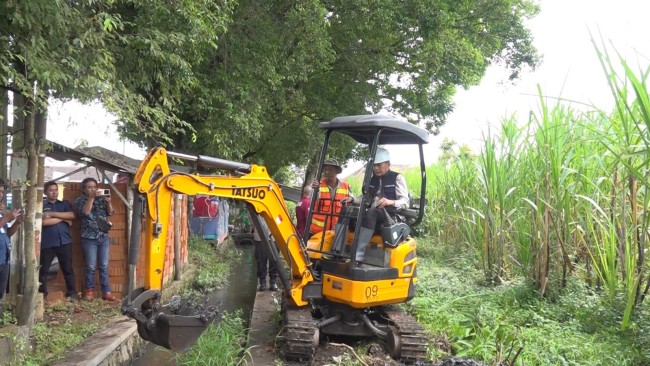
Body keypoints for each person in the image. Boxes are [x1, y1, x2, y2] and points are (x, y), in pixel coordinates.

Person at [342, 147, 409, 267]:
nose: (376, 168)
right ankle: (338, 250)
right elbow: (366, 198)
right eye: (374, 165)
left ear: (388, 164)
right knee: (347, 210)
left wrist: (390, 202)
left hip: (391, 216)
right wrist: (353, 199)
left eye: (379, 165)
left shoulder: (397, 178)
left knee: (372, 212)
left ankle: (358, 254)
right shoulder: (373, 180)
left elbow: (405, 202)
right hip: (373, 214)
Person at [75, 178, 117, 301]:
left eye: (94, 187)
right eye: (89, 187)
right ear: (84, 189)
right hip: (89, 238)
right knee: (91, 266)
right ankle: (89, 292)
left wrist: (109, 202)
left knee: (104, 265)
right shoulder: (80, 200)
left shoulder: (101, 199)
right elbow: (86, 213)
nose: (92, 189)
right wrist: (91, 198)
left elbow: (110, 213)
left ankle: (106, 292)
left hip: (102, 236)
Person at [39, 181, 77, 300]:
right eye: (51, 190)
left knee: (67, 269)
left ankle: (71, 293)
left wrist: (52, 214)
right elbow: (44, 222)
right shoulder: (42, 205)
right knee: (43, 270)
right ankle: (42, 294)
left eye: (56, 190)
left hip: (64, 242)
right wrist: (62, 218)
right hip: (48, 243)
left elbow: (72, 216)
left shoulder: (64, 203)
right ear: (45, 192)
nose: (54, 192)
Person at [309, 159, 352, 236]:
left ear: (336, 172)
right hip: (316, 233)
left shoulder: (345, 186)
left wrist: (352, 199)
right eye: (325, 170)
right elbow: (311, 198)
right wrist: (314, 189)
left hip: (336, 234)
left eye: (330, 170)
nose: (327, 172)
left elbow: (354, 201)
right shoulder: (318, 184)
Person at [0, 179, 23, 302]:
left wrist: (17, 223)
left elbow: (7, 234)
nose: (0, 194)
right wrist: (7, 217)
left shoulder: (1, 211)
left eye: (2, 191)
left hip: (3, 258)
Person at [253, 216, 278, 291]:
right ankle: (262, 282)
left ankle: (273, 282)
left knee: (274, 260)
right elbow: (252, 218)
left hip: (274, 237)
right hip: (259, 237)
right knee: (261, 260)